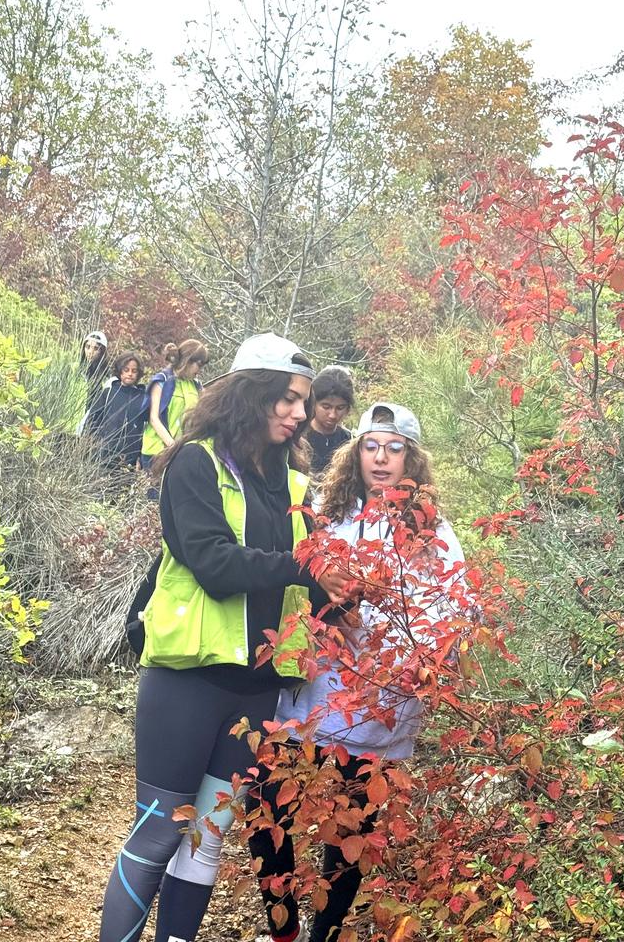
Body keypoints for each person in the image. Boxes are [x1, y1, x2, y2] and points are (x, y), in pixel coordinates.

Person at [99, 332, 349, 942]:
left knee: (205, 839)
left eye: (304, 400)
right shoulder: (196, 463)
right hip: (187, 680)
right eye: (288, 398)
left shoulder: (294, 486)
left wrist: (345, 594)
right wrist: (305, 567)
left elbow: (307, 585)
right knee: (160, 832)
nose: (299, 413)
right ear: (250, 394)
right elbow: (212, 564)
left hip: (257, 688)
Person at [248, 402, 465, 942]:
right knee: (266, 803)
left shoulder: (431, 531)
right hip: (309, 693)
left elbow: (456, 609)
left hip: (379, 705)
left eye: (394, 448)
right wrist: (321, 618)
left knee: (350, 833)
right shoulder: (326, 512)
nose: (381, 458)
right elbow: (291, 577)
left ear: (411, 459)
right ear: (356, 452)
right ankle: (283, 930)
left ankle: (325, 931)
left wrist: (421, 662)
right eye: (371, 446)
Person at [139, 339, 208, 474]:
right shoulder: (162, 380)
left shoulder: (196, 386)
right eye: (199, 365)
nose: (200, 370)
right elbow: (154, 418)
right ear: (188, 360)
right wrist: (173, 446)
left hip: (181, 453)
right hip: (156, 451)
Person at [84, 351, 146, 473]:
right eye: (126, 370)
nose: (130, 374)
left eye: (134, 371)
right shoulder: (108, 393)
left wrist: (140, 457)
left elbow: (145, 429)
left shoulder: (143, 398)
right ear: (119, 370)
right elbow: (92, 420)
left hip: (130, 458)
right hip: (103, 454)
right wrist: (90, 446)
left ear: (139, 373)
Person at [304, 366, 354, 475]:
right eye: (326, 407)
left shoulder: (349, 441)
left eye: (340, 408)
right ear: (313, 402)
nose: (332, 415)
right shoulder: (299, 437)